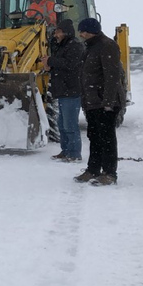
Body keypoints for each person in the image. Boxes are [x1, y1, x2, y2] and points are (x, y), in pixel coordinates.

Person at [73, 18, 126, 186]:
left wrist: (108, 102)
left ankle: (110, 173)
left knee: (107, 138)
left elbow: (112, 76)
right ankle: (93, 169)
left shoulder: (107, 45)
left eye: (83, 31)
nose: (81, 35)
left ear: (91, 31)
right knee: (94, 136)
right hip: (92, 101)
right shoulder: (89, 47)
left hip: (105, 102)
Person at [41, 19, 84, 162]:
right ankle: (65, 151)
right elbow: (60, 65)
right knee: (62, 124)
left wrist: (51, 61)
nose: (55, 35)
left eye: (58, 32)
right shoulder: (61, 46)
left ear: (66, 32)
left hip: (71, 90)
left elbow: (70, 65)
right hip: (62, 90)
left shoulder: (75, 46)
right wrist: (48, 65)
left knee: (70, 124)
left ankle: (74, 153)